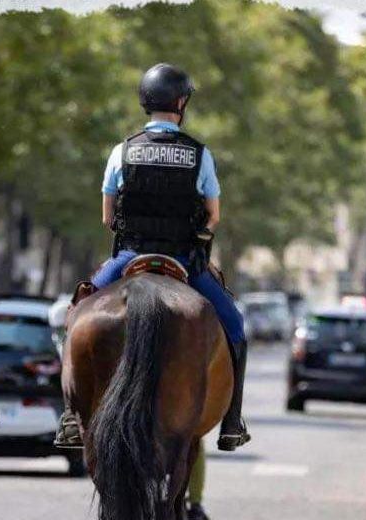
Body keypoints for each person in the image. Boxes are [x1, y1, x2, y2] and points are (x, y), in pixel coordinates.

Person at [53, 63, 250, 452]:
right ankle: (231, 421)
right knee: (235, 328)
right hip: (184, 263)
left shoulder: (122, 150)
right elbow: (213, 216)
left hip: (129, 258)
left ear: (146, 102)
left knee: (76, 317)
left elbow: (108, 216)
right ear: (181, 102)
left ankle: (71, 417)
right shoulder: (199, 154)